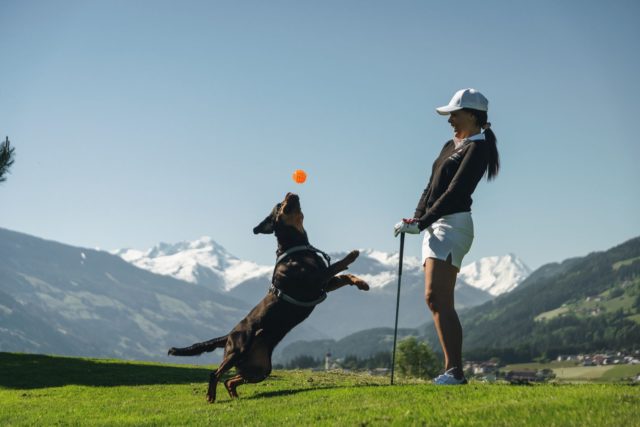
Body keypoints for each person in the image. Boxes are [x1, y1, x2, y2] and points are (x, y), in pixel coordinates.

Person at [393, 88, 500, 385]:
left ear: (471, 115)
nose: (450, 119)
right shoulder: (450, 145)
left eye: (454, 113)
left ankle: (455, 371)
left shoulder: (478, 148)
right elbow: (431, 187)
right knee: (433, 298)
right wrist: (416, 218)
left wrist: (424, 220)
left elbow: (456, 194)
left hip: (453, 225)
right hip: (433, 224)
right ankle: (451, 370)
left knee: (439, 297)